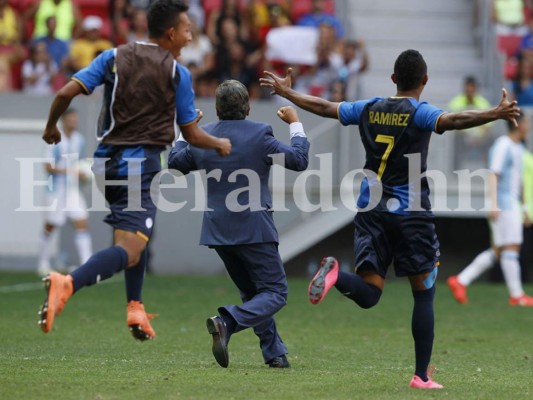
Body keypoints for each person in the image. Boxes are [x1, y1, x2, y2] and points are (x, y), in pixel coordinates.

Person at [260, 49, 520, 389]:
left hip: (371, 209)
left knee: (370, 293)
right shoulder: (420, 112)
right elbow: (453, 121)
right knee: (424, 293)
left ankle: (336, 273)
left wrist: (287, 92)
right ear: (424, 81)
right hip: (410, 212)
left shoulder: (369, 108)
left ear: (393, 79)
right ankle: (421, 376)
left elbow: (326, 107)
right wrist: (494, 113)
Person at [37, 0, 231, 342]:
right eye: (187, 29)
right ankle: (67, 283)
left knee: (132, 237)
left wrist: (52, 125)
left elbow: (67, 91)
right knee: (133, 246)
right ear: (171, 32)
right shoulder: (177, 73)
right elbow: (191, 135)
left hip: (105, 163)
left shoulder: (113, 57)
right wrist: (219, 145)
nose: (190, 36)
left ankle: (135, 306)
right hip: (138, 167)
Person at [168, 80, 309, 368]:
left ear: (217, 109)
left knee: (253, 294)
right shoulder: (260, 133)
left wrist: (185, 131)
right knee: (275, 292)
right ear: (248, 107)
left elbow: (174, 163)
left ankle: (275, 354)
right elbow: (299, 160)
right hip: (254, 227)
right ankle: (227, 322)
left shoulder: (202, 135)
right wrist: (296, 123)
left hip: (218, 230)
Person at [447, 112, 533, 306]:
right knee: (510, 247)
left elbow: (519, 182)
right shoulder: (503, 145)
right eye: (526, 122)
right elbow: (493, 174)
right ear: (518, 124)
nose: (528, 126)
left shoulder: (518, 148)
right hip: (504, 203)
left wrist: (525, 207)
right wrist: (493, 203)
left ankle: (461, 280)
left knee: (500, 249)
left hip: (513, 204)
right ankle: (516, 295)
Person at [38, 108, 92, 276]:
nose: (74, 122)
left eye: (76, 119)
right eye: (71, 119)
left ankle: (87, 265)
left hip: (73, 190)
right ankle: (43, 263)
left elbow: (81, 164)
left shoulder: (79, 140)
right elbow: (47, 166)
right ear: (64, 121)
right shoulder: (54, 139)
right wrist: (70, 171)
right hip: (56, 190)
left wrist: (84, 174)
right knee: (50, 225)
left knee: (82, 223)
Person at [448, 76, 492, 170]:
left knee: (490, 138)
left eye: (472, 87)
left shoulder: (483, 103)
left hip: (480, 138)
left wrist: (478, 137)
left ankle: (486, 169)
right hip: (462, 136)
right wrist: (467, 135)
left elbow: (487, 127)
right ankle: (456, 170)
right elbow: (453, 123)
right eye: (468, 87)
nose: (469, 90)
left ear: (476, 89)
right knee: (457, 139)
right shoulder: (456, 102)